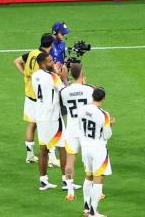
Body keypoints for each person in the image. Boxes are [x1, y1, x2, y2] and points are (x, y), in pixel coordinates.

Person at [13, 33, 55, 164]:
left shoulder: (32, 52)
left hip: (29, 95)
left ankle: (30, 155)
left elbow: (17, 61)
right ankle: (51, 158)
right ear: (51, 44)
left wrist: (26, 75)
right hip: (40, 97)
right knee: (47, 126)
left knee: (32, 125)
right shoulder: (44, 58)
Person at [31, 53, 65, 191]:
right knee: (63, 148)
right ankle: (66, 182)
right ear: (43, 63)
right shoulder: (53, 77)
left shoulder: (35, 75)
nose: (53, 62)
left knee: (43, 149)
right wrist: (60, 74)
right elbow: (63, 91)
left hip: (41, 117)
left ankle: (43, 181)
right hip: (53, 118)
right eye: (50, 61)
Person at [58, 62, 92, 199]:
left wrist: (65, 79)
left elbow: (64, 97)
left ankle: (70, 191)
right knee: (88, 161)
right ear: (82, 74)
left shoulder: (64, 91)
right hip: (85, 129)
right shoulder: (89, 90)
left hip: (71, 129)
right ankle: (95, 189)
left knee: (70, 160)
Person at [79, 87, 114, 217]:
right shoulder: (104, 114)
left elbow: (80, 126)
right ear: (103, 98)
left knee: (88, 176)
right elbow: (107, 135)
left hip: (85, 148)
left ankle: (86, 207)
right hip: (98, 149)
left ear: (92, 96)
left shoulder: (82, 109)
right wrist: (110, 125)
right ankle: (93, 212)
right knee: (98, 179)